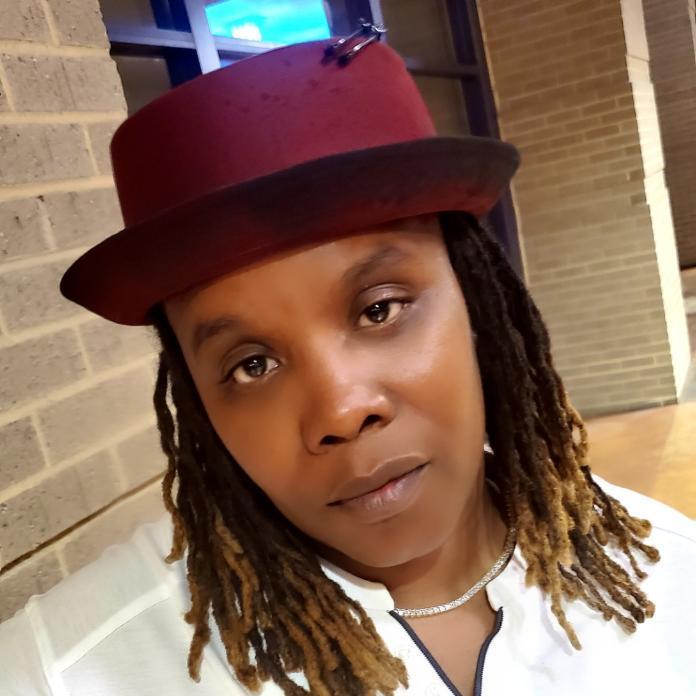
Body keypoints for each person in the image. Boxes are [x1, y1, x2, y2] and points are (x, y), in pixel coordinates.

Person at [2, 26, 695, 696]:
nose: (341, 410)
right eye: (252, 365)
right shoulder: (69, 670)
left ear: (477, 302)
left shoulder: (673, 576)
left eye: (380, 309)